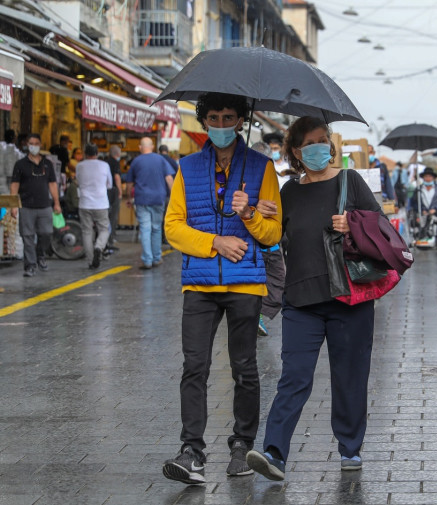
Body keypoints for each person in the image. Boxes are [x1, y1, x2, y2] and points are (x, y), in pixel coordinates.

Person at [245, 115, 382, 480]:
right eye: (309, 143)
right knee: (294, 377)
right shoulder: (288, 191)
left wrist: (351, 223)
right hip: (301, 301)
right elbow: (272, 240)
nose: (319, 148)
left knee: (350, 377)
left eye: (323, 140)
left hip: (349, 300)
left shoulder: (350, 181)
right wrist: (260, 216)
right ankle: (274, 453)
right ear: (295, 152)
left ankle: (350, 448)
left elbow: (381, 227)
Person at [162, 92, 282, 485]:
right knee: (194, 366)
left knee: (244, 368)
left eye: (229, 117)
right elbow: (173, 226)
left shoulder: (262, 168)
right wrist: (214, 242)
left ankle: (241, 445)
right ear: (204, 121)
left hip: (245, 283)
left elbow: (272, 233)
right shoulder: (188, 167)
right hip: (198, 282)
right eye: (213, 117)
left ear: (240, 120)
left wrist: (248, 213)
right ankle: (191, 451)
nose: (221, 124)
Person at [9, 134, 61, 277]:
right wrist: (13, 205)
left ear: (40, 145)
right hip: (26, 206)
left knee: (46, 233)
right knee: (27, 236)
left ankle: (40, 254)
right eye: (31, 143)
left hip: (44, 206)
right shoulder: (20, 165)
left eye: (36, 143)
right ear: (27, 145)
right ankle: (30, 265)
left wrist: (56, 203)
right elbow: (14, 185)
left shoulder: (47, 164)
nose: (33, 146)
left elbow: (52, 184)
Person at [250, 140, 287, 337]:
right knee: (275, 281)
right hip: (262, 243)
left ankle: (255, 315)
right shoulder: (249, 178)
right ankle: (255, 315)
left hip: (270, 241)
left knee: (274, 282)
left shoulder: (271, 176)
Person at [123, 137, 174, 269]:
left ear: (140, 147)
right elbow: (169, 178)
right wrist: (174, 196)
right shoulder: (161, 159)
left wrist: (128, 197)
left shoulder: (136, 161)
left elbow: (129, 183)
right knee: (156, 228)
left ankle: (147, 260)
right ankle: (157, 258)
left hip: (142, 199)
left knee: (145, 229)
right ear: (152, 147)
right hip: (158, 198)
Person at [76, 144, 112, 269]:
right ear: (97, 153)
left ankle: (91, 261)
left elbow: (78, 181)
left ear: (85, 153)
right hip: (101, 203)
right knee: (104, 229)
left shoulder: (79, 166)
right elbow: (109, 184)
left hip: (85, 203)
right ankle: (99, 246)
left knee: (87, 232)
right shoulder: (104, 165)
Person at [409, 167, 437, 248]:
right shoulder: (419, 189)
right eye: (426, 176)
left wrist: (436, 209)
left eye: (430, 176)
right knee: (416, 222)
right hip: (422, 213)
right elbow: (413, 202)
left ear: (433, 178)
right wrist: (421, 210)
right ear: (423, 178)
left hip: (435, 213)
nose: (428, 178)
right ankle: (418, 238)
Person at [104, 145, 123, 253]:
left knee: (107, 215)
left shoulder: (105, 162)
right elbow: (117, 177)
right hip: (113, 191)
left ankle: (106, 239)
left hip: (105, 191)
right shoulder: (115, 163)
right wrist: (120, 190)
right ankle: (110, 240)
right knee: (113, 216)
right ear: (118, 153)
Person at [1, 129, 23, 194]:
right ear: (14, 138)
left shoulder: (2, 148)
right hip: (8, 181)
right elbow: (10, 171)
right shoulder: (13, 151)